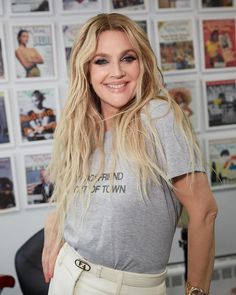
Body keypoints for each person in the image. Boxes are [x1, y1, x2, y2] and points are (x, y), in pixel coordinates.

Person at [42, 13, 217, 295]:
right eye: (101, 61)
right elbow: (86, 197)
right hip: (66, 274)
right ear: (86, 69)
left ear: (143, 63)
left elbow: (204, 212)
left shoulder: (158, 117)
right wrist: (55, 218)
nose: (117, 72)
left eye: (127, 58)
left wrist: (196, 292)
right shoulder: (84, 125)